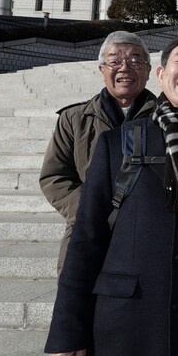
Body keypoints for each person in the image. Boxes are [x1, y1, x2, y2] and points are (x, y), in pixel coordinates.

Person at [44, 33, 178, 356]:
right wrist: (68, 328)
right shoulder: (117, 143)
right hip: (124, 325)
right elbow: (87, 238)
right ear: (162, 74)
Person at [39, 30, 157, 274]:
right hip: (88, 227)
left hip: (151, 230)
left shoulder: (166, 118)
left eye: (135, 60)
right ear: (102, 69)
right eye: (114, 61)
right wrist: (90, 211)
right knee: (80, 303)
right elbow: (55, 177)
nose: (125, 67)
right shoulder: (74, 119)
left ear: (148, 70)